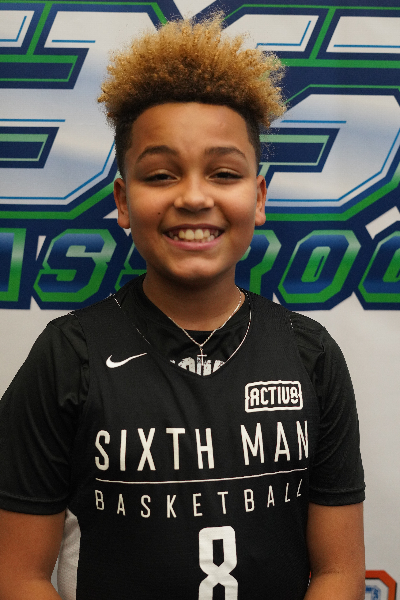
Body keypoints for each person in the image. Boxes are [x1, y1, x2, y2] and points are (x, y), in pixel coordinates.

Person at [0, 15, 365, 600]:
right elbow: (16, 575)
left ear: (258, 198)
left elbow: (339, 573)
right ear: (123, 201)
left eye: (223, 173)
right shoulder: (69, 355)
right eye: (161, 174)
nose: (194, 197)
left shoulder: (310, 354)